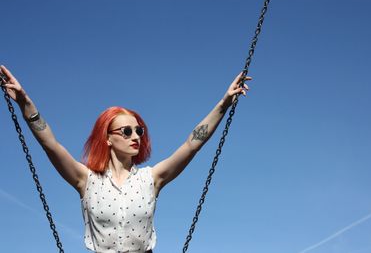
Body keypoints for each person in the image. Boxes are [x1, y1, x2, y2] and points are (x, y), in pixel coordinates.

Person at [0, 65, 251, 253]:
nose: (136, 136)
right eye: (127, 131)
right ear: (107, 138)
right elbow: (50, 144)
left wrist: (224, 103)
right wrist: (25, 103)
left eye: (139, 130)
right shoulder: (86, 180)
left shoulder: (151, 179)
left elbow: (191, 144)